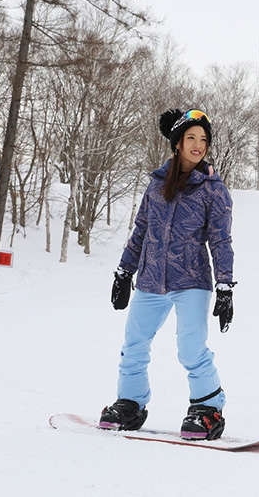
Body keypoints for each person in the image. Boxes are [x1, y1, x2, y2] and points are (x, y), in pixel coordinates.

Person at [100, 108, 236, 440]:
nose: (198, 145)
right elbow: (141, 231)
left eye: (203, 140)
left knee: (190, 347)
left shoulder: (213, 189)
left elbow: (221, 240)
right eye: (191, 138)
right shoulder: (157, 185)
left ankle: (208, 409)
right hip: (150, 279)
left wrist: (225, 285)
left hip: (191, 279)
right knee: (134, 344)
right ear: (177, 143)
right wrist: (123, 272)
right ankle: (130, 404)